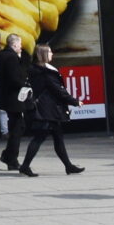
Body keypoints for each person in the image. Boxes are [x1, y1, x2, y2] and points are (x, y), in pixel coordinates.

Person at [12, 45, 87, 176]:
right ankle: (25, 166)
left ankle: (68, 166)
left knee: (57, 137)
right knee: (39, 138)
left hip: (45, 109)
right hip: (47, 111)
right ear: (43, 54)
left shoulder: (33, 69)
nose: (52, 54)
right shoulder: (45, 73)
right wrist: (75, 101)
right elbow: (59, 91)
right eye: (50, 52)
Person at [0, 34, 31, 171]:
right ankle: (11, 158)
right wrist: (26, 86)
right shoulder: (11, 57)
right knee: (17, 128)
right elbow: (14, 78)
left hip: (6, 97)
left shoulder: (2, 55)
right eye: (20, 44)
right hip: (14, 98)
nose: (21, 47)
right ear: (14, 45)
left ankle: (8, 156)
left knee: (16, 126)